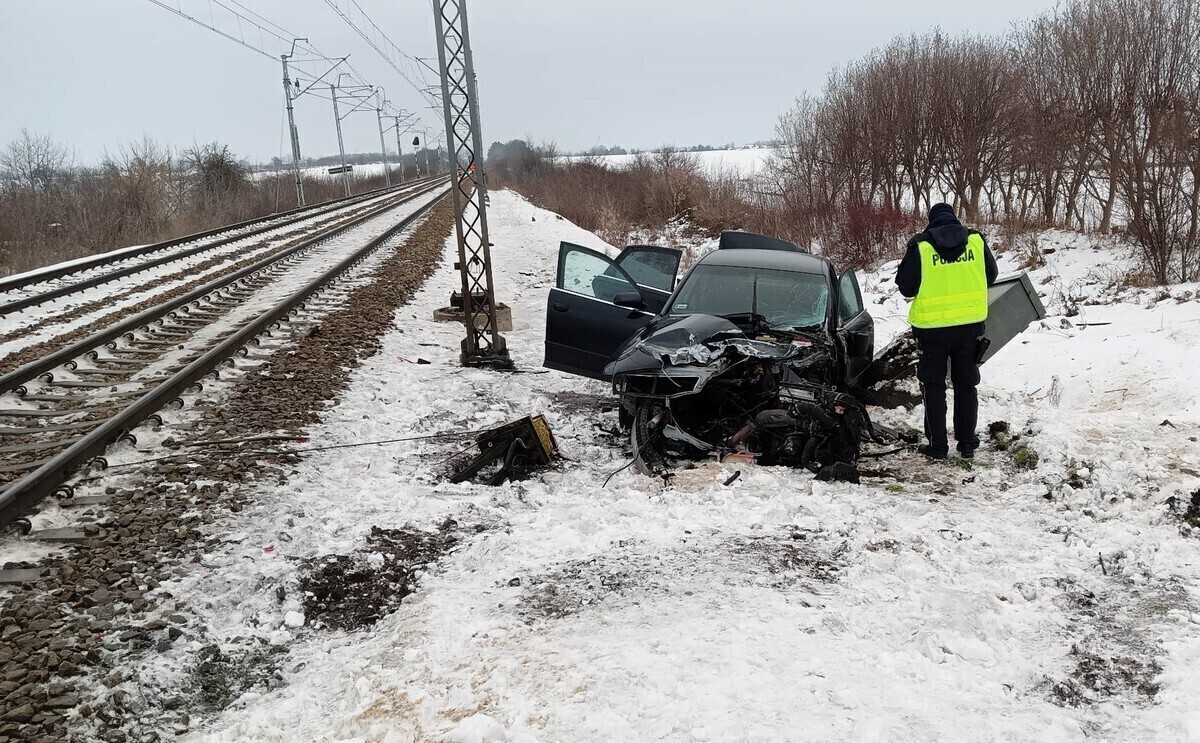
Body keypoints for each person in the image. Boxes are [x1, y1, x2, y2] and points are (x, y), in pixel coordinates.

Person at [895, 203, 998, 460]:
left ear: (931, 221)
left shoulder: (921, 246)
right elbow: (992, 276)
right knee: (966, 384)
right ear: (954, 218)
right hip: (968, 328)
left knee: (934, 387)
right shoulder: (975, 241)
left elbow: (906, 287)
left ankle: (938, 447)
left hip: (932, 331)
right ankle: (967, 444)